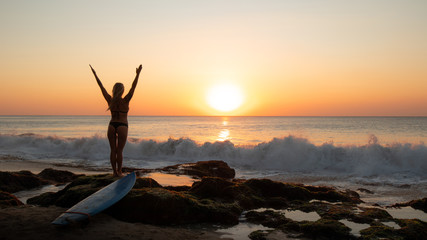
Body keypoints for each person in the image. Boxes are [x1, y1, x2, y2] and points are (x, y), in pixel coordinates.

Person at [90, 64, 142, 177]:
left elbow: (101, 86)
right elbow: (134, 87)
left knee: (113, 150)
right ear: (123, 90)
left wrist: (95, 74)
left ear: (114, 90)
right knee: (120, 151)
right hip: (123, 125)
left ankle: (114, 172)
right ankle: (119, 172)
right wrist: (138, 74)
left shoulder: (110, 100)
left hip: (112, 125)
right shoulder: (126, 100)